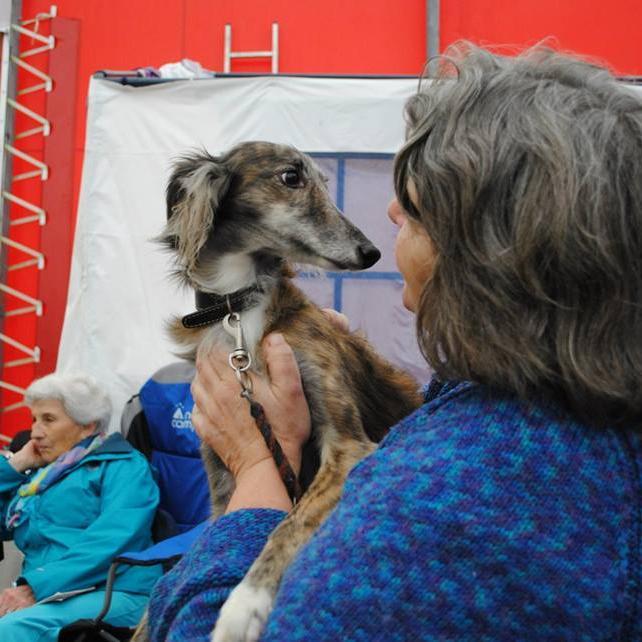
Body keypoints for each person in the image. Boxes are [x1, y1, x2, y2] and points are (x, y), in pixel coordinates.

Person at [146, 43, 642, 640]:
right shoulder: (574, 421)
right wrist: (349, 368)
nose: (389, 208)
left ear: (490, 251)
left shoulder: (425, 517)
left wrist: (253, 470)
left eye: (418, 201)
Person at [0, 373, 162, 641]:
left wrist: (33, 588)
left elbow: (112, 540)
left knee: (9, 631)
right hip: (54, 593)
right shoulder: (43, 474)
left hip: (116, 591)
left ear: (88, 425)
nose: (35, 432)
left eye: (48, 419)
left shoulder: (125, 466)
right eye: (34, 419)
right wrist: (15, 465)